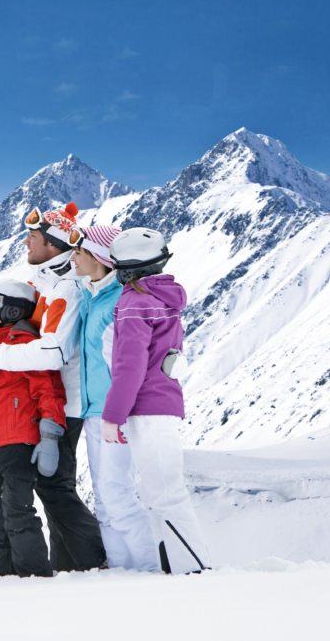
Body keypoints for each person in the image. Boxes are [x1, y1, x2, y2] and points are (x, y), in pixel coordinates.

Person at [0, 202, 106, 572]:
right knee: (52, 486)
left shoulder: (65, 291)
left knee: (54, 487)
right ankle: (72, 566)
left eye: (34, 236)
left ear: (53, 245)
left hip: (66, 404)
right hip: (49, 403)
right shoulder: (45, 284)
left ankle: (96, 560)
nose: (26, 241)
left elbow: (54, 350)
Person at [102, 227, 210, 574]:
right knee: (159, 492)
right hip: (160, 403)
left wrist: (112, 416)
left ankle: (194, 570)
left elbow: (129, 367)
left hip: (147, 407)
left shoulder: (134, 303)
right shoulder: (164, 298)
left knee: (165, 493)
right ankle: (179, 569)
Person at [70, 224, 158, 571]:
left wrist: (115, 413)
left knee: (118, 495)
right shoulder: (92, 297)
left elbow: (124, 365)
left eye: (79, 251)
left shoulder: (116, 303)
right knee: (106, 501)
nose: (73, 257)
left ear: (99, 257)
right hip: (95, 412)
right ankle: (121, 571)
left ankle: (150, 570)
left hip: (115, 414)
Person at [0, 281, 67, 577]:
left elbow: (48, 391)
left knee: (17, 513)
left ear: (13, 308)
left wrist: (50, 434)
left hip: (19, 444)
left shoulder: (26, 347)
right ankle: (5, 578)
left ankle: (34, 579)